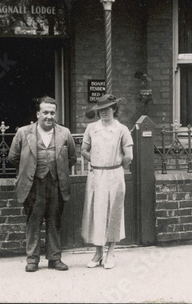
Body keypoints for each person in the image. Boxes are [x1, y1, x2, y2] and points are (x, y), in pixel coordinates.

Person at [8, 96, 77, 272]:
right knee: (33, 222)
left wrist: (56, 170)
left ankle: (55, 258)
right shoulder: (23, 133)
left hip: (56, 183)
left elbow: (71, 158)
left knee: (54, 221)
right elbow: (13, 157)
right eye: (45, 112)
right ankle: (32, 260)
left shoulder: (65, 133)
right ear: (38, 113)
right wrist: (30, 170)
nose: (49, 116)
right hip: (33, 185)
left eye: (52, 112)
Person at [80, 94, 133, 270]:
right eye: (100, 110)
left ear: (114, 109)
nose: (103, 112)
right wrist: (95, 159)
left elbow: (129, 156)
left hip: (114, 175)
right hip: (96, 175)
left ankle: (111, 252)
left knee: (113, 212)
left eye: (107, 109)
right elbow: (84, 149)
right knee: (96, 212)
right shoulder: (91, 128)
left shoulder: (122, 129)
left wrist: (115, 166)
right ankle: (98, 253)